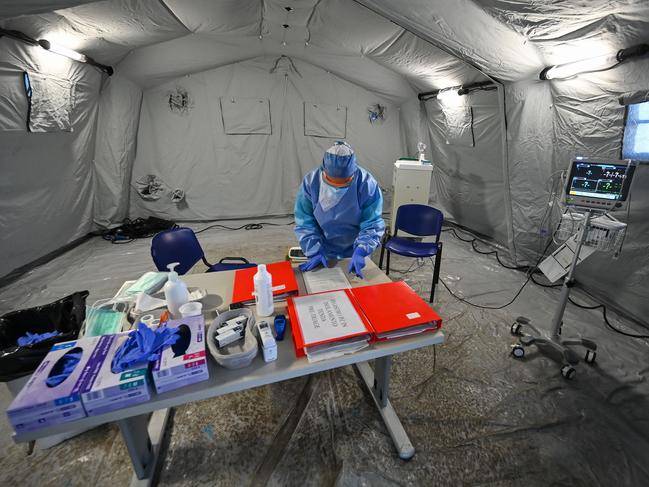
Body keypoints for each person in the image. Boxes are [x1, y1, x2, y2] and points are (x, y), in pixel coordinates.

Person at [294, 141, 385, 279]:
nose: (337, 188)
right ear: (324, 170)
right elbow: (305, 221)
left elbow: (372, 222)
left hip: (356, 249)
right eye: (333, 181)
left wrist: (361, 250)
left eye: (344, 182)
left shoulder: (366, 184)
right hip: (323, 249)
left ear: (353, 172)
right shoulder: (310, 183)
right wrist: (314, 250)